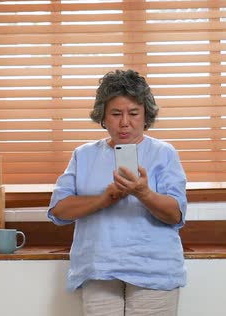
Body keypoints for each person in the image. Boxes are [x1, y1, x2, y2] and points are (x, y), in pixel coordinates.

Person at [48, 69, 188, 315]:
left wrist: (143, 193)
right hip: (98, 268)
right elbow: (59, 210)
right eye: (116, 114)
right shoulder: (84, 155)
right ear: (102, 116)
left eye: (133, 113)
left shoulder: (164, 153)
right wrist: (105, 198)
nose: (125, 122)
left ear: (146, 115)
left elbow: (175, 215)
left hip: (154, 269)